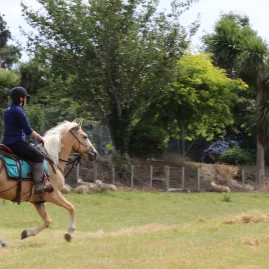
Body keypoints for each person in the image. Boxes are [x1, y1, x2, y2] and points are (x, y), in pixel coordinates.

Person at [2, 87, 49, 194]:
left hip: (6, 142)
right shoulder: (19, 110)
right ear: (21, 99)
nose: (26, 100)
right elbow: (28, 130)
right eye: (25, 98)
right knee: (39, 156)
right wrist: (40, 137)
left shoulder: (8, 110)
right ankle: (38, 185)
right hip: (16, 143)